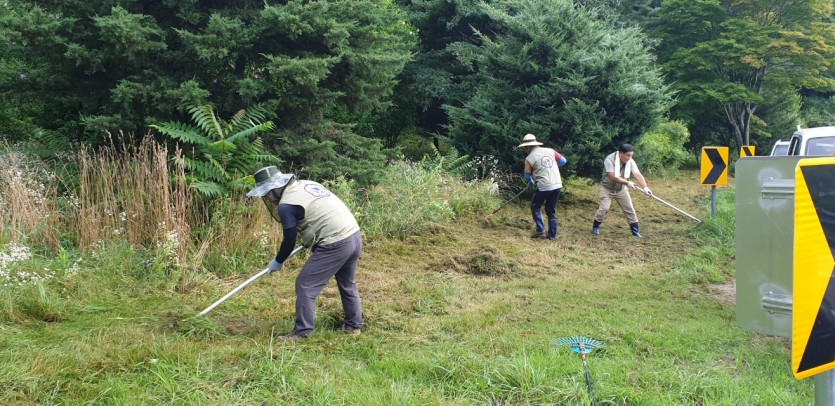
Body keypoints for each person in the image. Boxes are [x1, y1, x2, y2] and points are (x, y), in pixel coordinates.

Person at [247, 166, 364, 339]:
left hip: (336, 242)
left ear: (274, 190)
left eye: (266, 194)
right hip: (353, 235)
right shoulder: (305, 185)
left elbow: (289, 241)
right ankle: (354, 326)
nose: (267, 198)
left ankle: (302, 332)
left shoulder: (286, 205)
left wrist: (278, 260)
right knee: (347, 283)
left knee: (305, 285)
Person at [592, 144, 652, 238]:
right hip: (607, 189)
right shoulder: (609, 160)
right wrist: (628, 183)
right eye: (628, 155)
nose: (629, 158)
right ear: (621, 153)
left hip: (621, 189)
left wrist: (645, 187)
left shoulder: (630, 161)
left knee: (630, 209)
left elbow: (637, 174)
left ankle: (635, 232)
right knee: (604, 208)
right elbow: (612, 177)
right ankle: (595, 227)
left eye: (631, 155)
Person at [518, 133, 567, 240]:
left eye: (525, 148)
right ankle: (552, 235)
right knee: (550, 209)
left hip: (544, 185)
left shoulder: (529, 158)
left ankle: (540, 231)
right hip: (557, 184)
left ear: (528, 147)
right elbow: (563, 161)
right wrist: (551, 167)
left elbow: (527, 176)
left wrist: (531, 181)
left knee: (535, 206)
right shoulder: (550, 151)